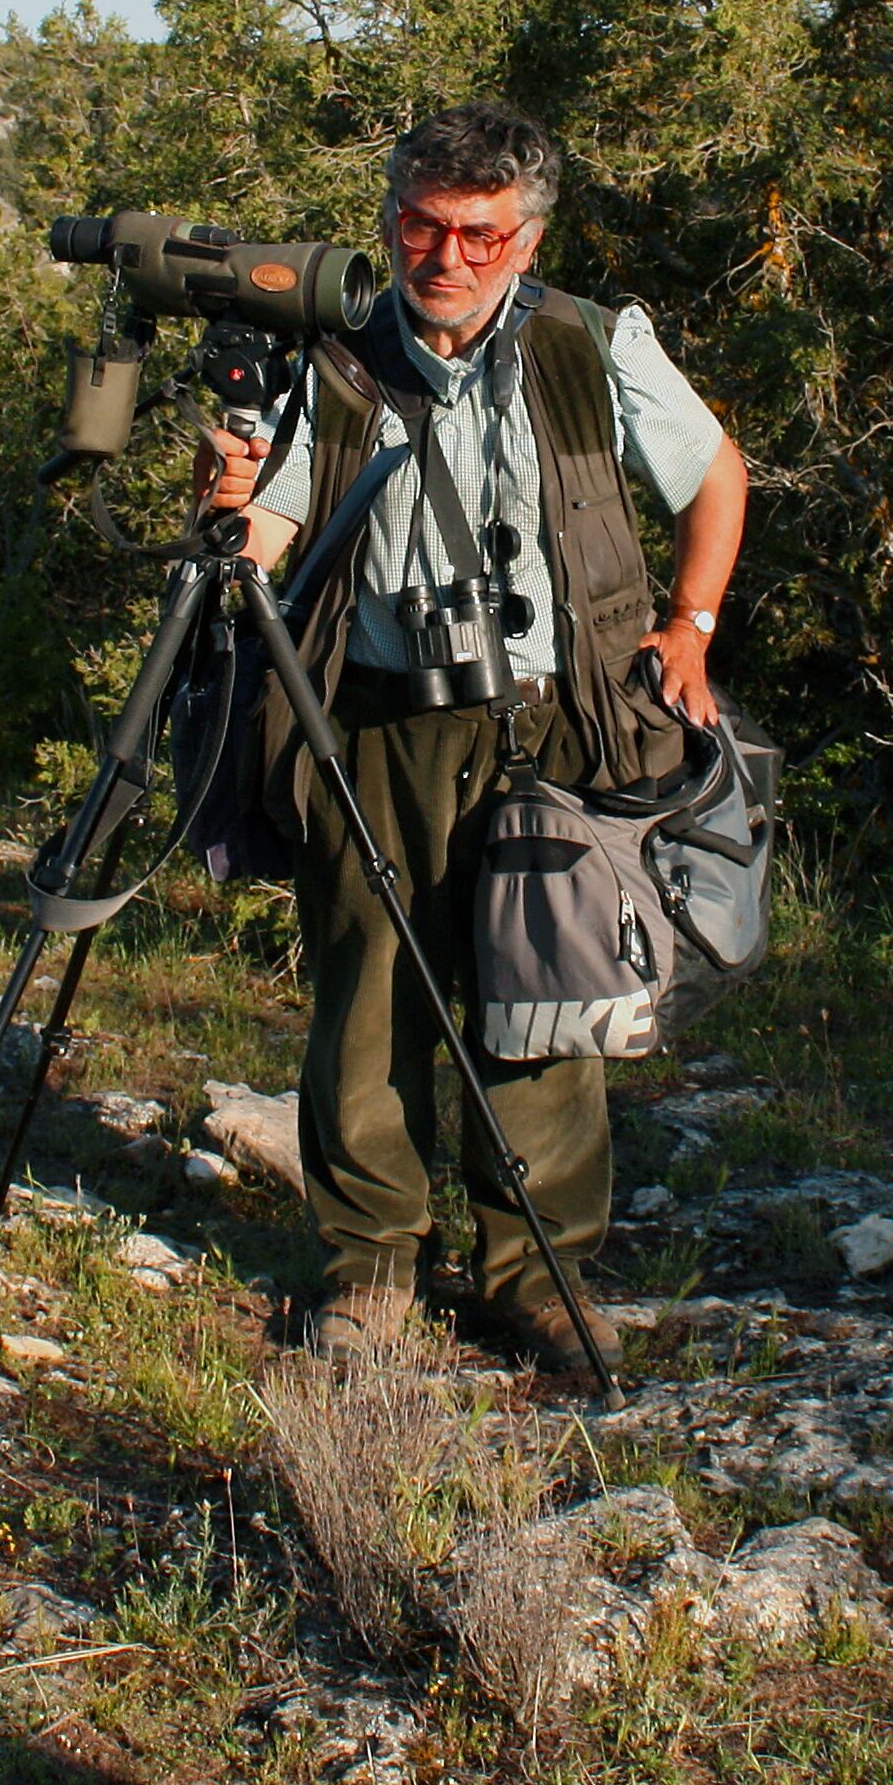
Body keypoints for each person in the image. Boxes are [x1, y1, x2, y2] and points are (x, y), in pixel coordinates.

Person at [200, 101, 747, 1378]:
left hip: (553, 718)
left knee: (542, 993)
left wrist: (692, 625)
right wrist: (232, 511)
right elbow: (270, 535)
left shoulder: (590, 347)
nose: (445, 256)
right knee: (369, 997)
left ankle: (540, 1270)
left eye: (480, 236)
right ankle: (368, 1270)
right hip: (376, 717)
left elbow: (717, 472)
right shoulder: (332, 358)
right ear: (390, 220)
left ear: (527, 236)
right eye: (421, 225)